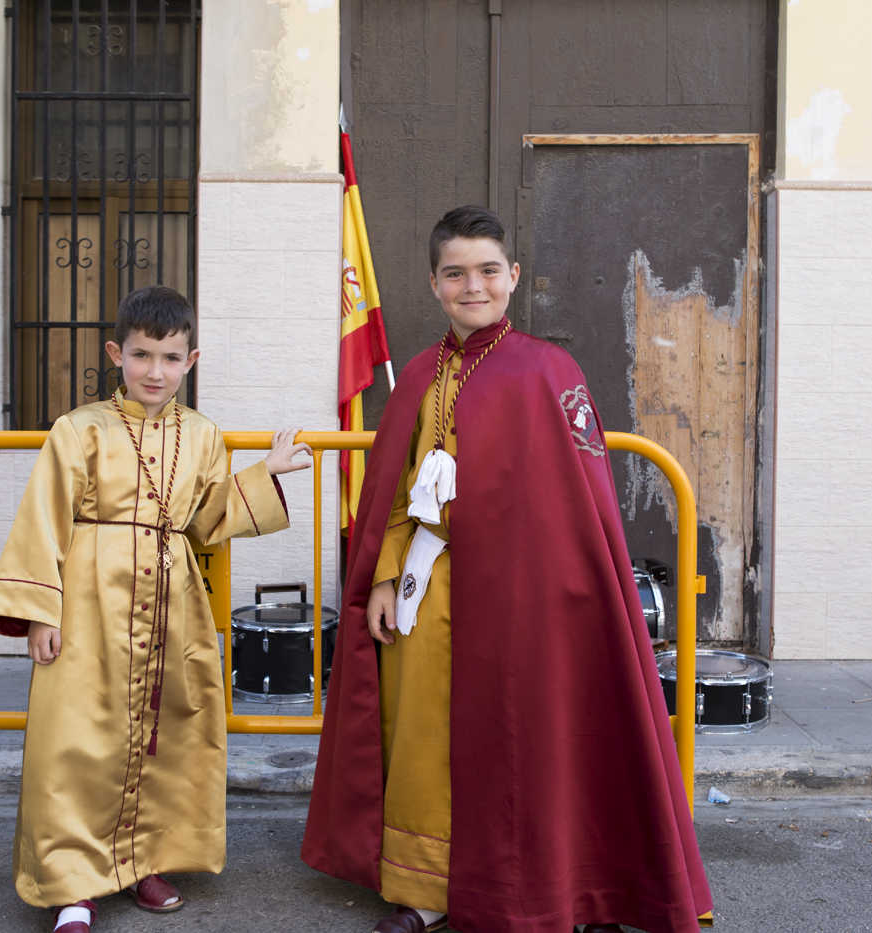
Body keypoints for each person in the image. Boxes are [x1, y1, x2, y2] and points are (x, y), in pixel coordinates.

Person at [302, 206, 712, 932]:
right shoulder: (419, 377)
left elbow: (578, 511)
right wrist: (384, 580)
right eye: (455, 273)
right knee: (422, 733)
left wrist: (571, 598)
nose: (473, 286)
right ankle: (424, 889)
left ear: (513, 277)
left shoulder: (550, 371)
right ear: (433, 282)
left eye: (488, 270)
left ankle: (559, 883)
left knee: (533, 739)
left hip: (528, 596)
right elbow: (393, 499)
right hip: (428, 587)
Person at [0, 285, 310, 933]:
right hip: (87, 601)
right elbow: (42, 519)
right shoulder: (79, 430)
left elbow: (209, 519)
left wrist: (263, 474)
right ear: (116, 354)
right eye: (141, 355)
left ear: (191, 359)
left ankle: (145, 860)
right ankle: (73, 883)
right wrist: (40, 613)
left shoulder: (204, 435)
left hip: (171, 601)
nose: (154, 371)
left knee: (167, 731)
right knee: (75, 738)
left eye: (169, 357)